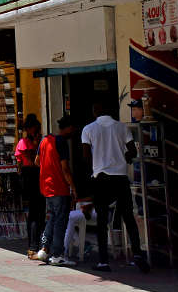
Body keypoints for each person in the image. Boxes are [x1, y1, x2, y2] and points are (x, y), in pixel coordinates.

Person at [81, 101, 149, 272]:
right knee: (128, 217)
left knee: (102, 221)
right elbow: (133, 151)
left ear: (95, 111)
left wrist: (95, 168)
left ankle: (103, 261)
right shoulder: (121, 127)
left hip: (101, 178)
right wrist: (123, 158)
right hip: (120, 178)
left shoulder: (88, 129)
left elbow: (86, 156)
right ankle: (138, 253)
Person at [36, 116, 77, 266]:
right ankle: (57, 255)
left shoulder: (44, 140)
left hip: (47, 187)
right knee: (60, 221)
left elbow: (36, 161)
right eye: (72, 129)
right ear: (67, 128)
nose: (73, 132)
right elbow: (65, 168)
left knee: (52, 218)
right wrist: (73, 187)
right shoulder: (61, 142)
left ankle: (45, 249)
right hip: (59, 187)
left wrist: (48, 168)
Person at [15, 115, 45, 259]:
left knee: (40, 213)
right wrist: (37, 143)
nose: (36, 130)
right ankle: (32, 246)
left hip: (39, 176)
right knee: (34, 213)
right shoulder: (24, 142)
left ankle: (39, 244)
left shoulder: (40, 142)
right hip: (31, 177)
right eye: (33, 128)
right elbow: (32, 161)